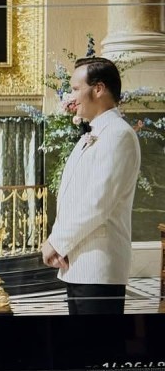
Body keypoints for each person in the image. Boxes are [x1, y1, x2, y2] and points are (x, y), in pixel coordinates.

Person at [42, 56, 140, 315]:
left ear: (98, 89)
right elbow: (73, 198)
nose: (71, 97)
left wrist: (56, 242)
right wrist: (59, 243)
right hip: (78, 265)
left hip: (99, 266)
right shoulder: (93, 134)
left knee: (98, 340)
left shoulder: (118, 134)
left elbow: (98, 203)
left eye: (76, 89)